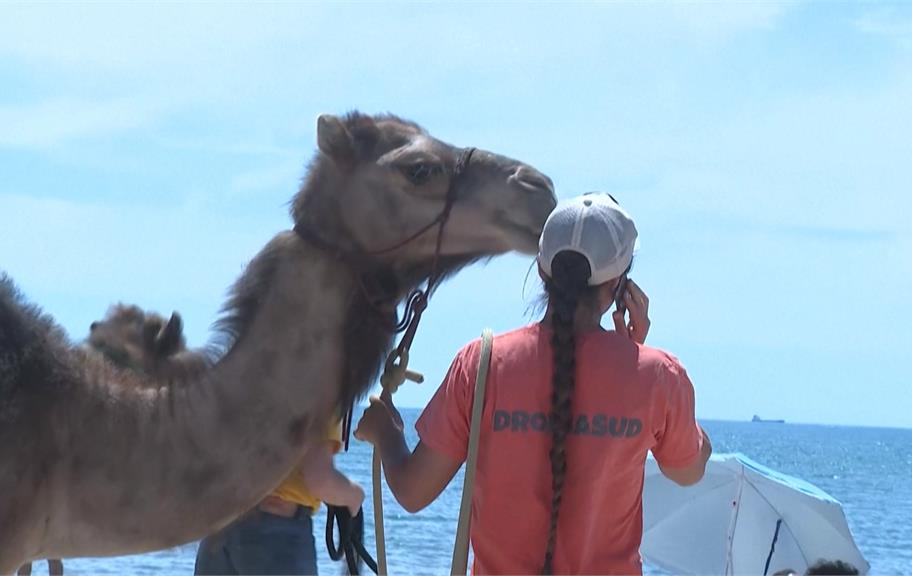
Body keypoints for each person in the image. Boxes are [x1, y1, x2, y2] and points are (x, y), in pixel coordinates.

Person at [356, 192, 712, 574]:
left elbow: (413, 492)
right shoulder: (657, 376)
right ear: (620, 288)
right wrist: (631, 356)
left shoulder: (482, 363)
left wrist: (387, 433)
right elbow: (688, 470)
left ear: (543, 273)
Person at [194, 416, 364, 575]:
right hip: (275, 533)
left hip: (218, 524)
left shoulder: (238, 383)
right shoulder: (321, 388)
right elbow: (320, 480)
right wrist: (354, 496)